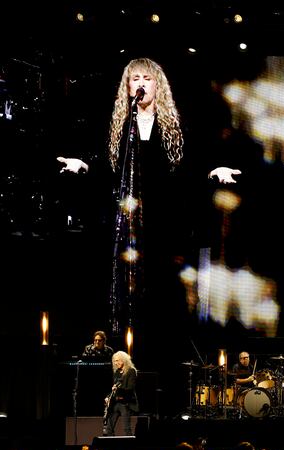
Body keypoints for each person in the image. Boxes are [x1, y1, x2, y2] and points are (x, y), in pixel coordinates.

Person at [57, 57, 242, 341]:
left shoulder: (176, 127)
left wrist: (214, 170)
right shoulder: (119, 126)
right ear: (127, 86)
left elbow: (194, 163)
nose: (140, 84)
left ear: (158, 85)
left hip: (164, 224)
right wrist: (83, 165)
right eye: (135, 79)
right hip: (127, 224)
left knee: (162, 293)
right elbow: (105, 165)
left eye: (147, 79)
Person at [103, 351, 138, 436]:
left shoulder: (131, 371)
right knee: (109, 428)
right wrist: (108, 397)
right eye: (115, 361)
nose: (116, 363)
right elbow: (114, 388)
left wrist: (117, 389)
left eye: (118, 360)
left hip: (126, 403)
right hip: (116, 402)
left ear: (124, 360)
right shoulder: (117, 373)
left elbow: (130, 388)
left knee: (126, 428)